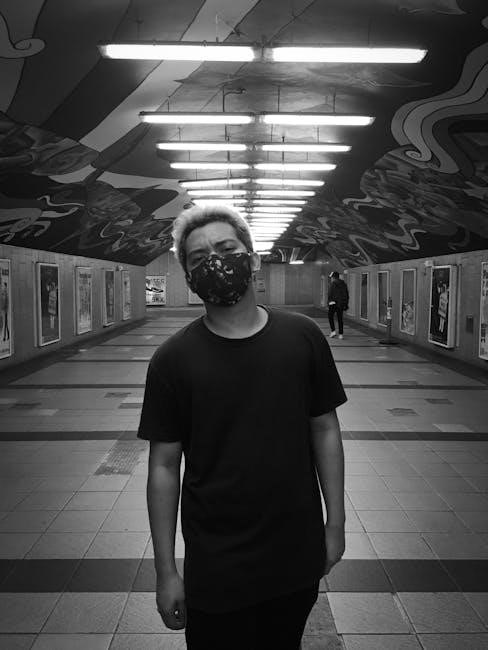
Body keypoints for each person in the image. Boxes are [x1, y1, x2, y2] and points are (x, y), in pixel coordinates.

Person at [137, 205, 347, 650]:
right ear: (189, 277)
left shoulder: (302, 337)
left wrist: (336, 523)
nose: (214, 262)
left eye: (226, 248)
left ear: (252, 259)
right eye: (199, 258)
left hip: (294, 552)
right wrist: (165, 571)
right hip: (216, 562)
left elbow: (325, 429)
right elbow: (164, 466)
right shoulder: (172, 360)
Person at [327, 271, 349, 339]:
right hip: (341, 304)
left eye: (331, 277)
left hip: (333, 303)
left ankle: (333, 331)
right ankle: (341, 334)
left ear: (334, 277)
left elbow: (330, 293)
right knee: (340, 318)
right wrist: (346, 304)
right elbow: (346, 294)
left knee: (330, 316)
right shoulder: (343, 284)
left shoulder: (333, 284)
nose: (331, 278)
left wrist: (329, 302)